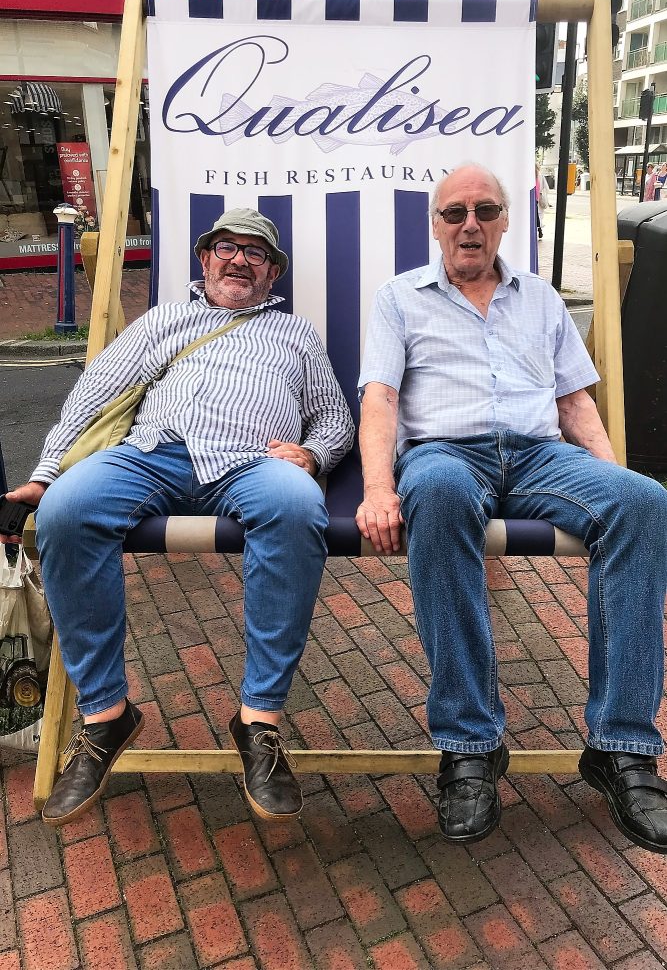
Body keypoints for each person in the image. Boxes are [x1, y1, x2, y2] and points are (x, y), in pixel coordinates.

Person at [2, 207, 354, 827]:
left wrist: (313, 453)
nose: (240, 259)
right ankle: (107, 717)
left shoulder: (295, 334)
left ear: (273, 273)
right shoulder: (164, 320)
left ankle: (260, 722)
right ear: (204, 258)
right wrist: (46, 471)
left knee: (299, 506)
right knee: (68, 511)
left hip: (252, 459)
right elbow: (97, 393)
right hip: (151, 455)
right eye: (227, 248)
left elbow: (334, 418)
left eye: (256, 253)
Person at [356, 163, 667, 853]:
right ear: (434, 225)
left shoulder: (540, 299)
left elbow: (573, 401)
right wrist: (379, 489)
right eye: (454, 212)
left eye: (485, 210)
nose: (469, 224)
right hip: (444, 453)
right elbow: (377, 397)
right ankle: (469, 747)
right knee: (434, 494)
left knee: (645, 502)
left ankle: (621, 749)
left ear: (503, 221)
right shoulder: (399, 297)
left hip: (535, 455)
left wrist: (610, 480)